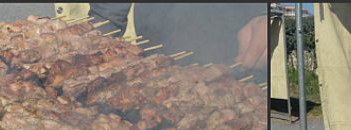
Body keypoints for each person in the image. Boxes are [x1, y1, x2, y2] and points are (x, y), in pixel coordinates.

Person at [88, 3, 267, 71]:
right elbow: (106, 16)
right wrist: (99, 46)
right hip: (159, 49)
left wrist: (266, 12)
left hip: (234, 47)